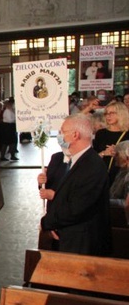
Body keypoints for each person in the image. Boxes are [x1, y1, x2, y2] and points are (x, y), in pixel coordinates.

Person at [41, 113, 112, 256]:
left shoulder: (92, 165)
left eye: (63, 131)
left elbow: (77, 207)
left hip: (82, 243)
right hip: (69, 237)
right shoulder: (76, 160)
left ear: (75, 135)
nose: (60, 136)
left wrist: (48, 222)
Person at [93, 101, 129, 185]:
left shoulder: (127, 134)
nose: (108, 116)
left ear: (121, 114)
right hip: (102, 176)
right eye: (106, 113)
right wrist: (103, 153)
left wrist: (118, 154)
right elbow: (93, 157)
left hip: (122, 178)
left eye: (112, 113)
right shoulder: (101, 133)